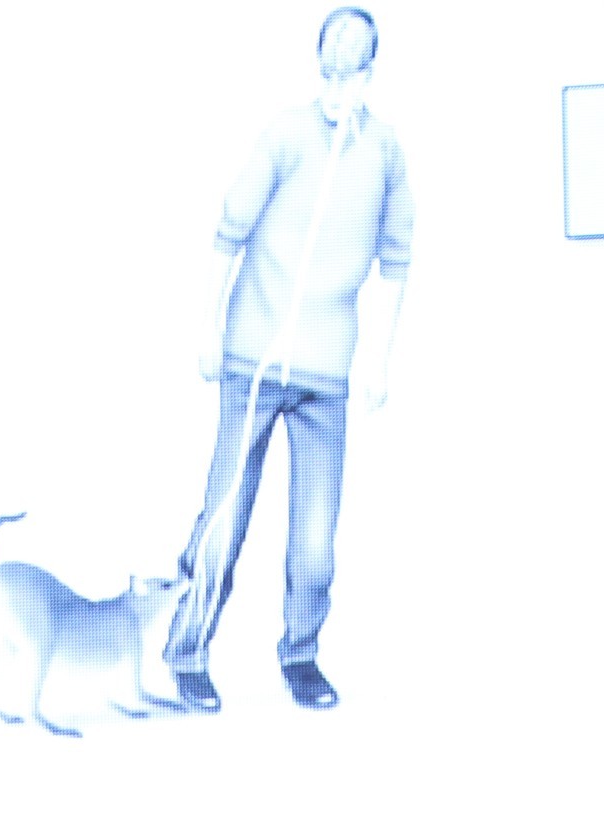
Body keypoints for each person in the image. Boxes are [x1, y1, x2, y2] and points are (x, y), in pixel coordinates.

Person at [162, 8, 412, 713]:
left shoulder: (385, 153)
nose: (337, 92)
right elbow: (228, 233)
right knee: (224, 517)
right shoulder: (285, 135)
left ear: (370, 75)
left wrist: (379, 359)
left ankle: (300, 654)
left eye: (350, 77)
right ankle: (186, 650)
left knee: (315, 542)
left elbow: (396, 261)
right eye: (328, 76)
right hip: (253, 362)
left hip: (326, 376)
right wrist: (208, 329)